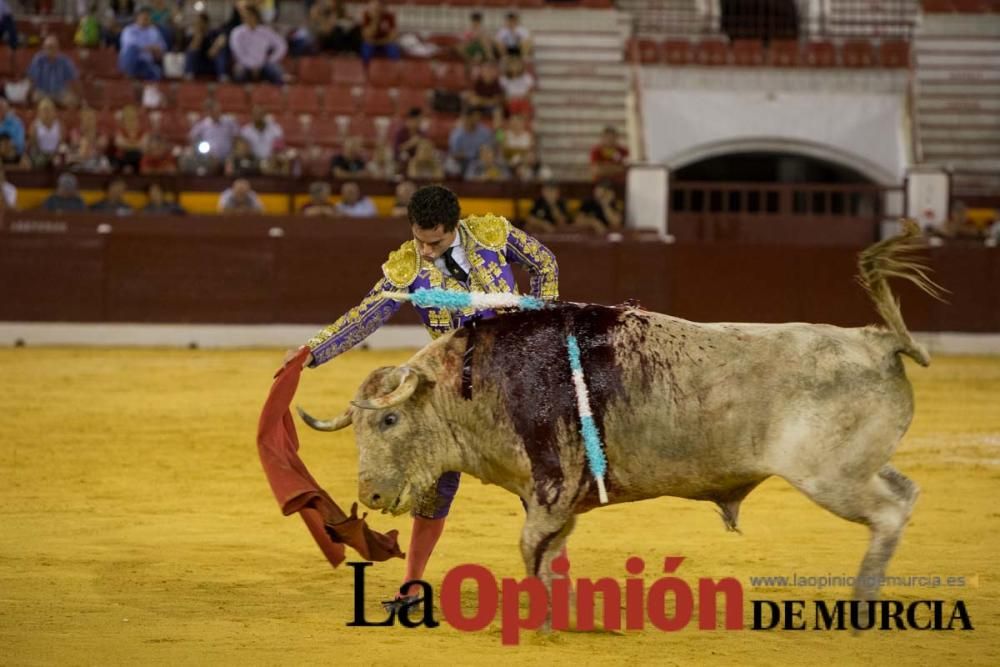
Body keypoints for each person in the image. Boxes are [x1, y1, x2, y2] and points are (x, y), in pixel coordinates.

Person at [280, 184, 559, 610]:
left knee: (534, 479)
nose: (426, 251)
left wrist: (540, 323)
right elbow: (366, 315)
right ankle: (411, 586)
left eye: (436, 242)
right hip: (450, 381)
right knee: (434, 478)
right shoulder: (406, 265)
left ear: (455, 228)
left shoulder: (492, 234)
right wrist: (311, 352)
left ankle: (554, 581)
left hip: (512, 376)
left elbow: (544, 262)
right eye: (419, 239)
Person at [229, 6, 286, 85]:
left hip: (263, 64)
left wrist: (271, 59)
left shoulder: (265, 31)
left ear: (256, 17)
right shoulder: (237, 32)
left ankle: (276, 95)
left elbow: (282, 45)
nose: (248, 18)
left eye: (250, 15)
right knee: (239, 71)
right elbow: (238, 53)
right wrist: (252, 65)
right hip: (244, 64)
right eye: (245, 16)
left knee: (277, 71)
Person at [28, 36, 80, 107]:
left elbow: (73, 79)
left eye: (52, 47)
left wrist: (77, 96)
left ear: (57, 48)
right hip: (43, 92)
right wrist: (29, 94)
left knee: (72, 102)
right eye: (47, 47)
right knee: (35, 99)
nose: (50, 49)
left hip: (60, 92)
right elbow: (32, 79)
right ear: (43, 48)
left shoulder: (65, 61)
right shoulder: (38, 60)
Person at [118, 6, 167, 80]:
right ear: (137, 18)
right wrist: (151, 48)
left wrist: (158, 50)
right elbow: (133, 45)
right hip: (129, 61)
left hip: (145, 63)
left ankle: (149, 89)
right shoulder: (129, 30)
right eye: (144, 17)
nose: (146, 19)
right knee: (132, 50)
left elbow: (162, 47)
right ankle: (129, 78)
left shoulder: (154, 31)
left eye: (148, 17)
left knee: (156, 72)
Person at [446, 110, 492, 178]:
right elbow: (454, 154)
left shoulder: (485, 132)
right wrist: (469, 155)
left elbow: (489, 149)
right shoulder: (457, 134)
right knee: (452, 166)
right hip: (463, 162)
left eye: (478, 117)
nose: (477, 120)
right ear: (467, 118)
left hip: (481, 160)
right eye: (475, 117)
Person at [184, 12, 228, 81]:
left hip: (213, 63)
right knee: (191, 52)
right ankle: (189, 74)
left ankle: (222, 75)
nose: (198, 25)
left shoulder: (214, 32)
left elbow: (222, 39)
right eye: (197, 23)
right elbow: (192, 50)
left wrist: (215, 48)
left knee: (221, 51)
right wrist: (198, 35)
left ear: (206, 23)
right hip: (199, 65)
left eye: (200, 22)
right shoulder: (191, 35)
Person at [360, 0, 400, 65]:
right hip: (371, 43)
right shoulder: (367, 15)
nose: (377, 8)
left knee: (394, 51)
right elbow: (366, 35)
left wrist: (384, 41)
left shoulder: (389, 16)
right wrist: (375, 20)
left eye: (379, 5)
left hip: (385, 43)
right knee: (365, 51)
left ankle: (396, 70)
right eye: (374, 6)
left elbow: (394, 34)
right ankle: (365, 70)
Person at [27, 98, 63, 169]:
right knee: (40, 161)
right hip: (40, 154)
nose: (46, 113)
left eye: (49, 110)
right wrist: (44, 155)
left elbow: (61, 142)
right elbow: (33, 143)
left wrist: (54, 154)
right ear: (39, 112)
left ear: (53, 111)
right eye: (44, 110)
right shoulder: (35, 125)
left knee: (58, 161)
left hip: (55, 154)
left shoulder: (59, 125)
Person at [111, 105, 146, 173]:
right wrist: (135, 145)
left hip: (138, 157)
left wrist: (128, 145)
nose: (131, 122)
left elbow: (143, 145)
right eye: (127, 119)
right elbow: (119, 143)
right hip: (124, 157)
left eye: (133, 119)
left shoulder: (142, 133)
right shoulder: (120, 132)